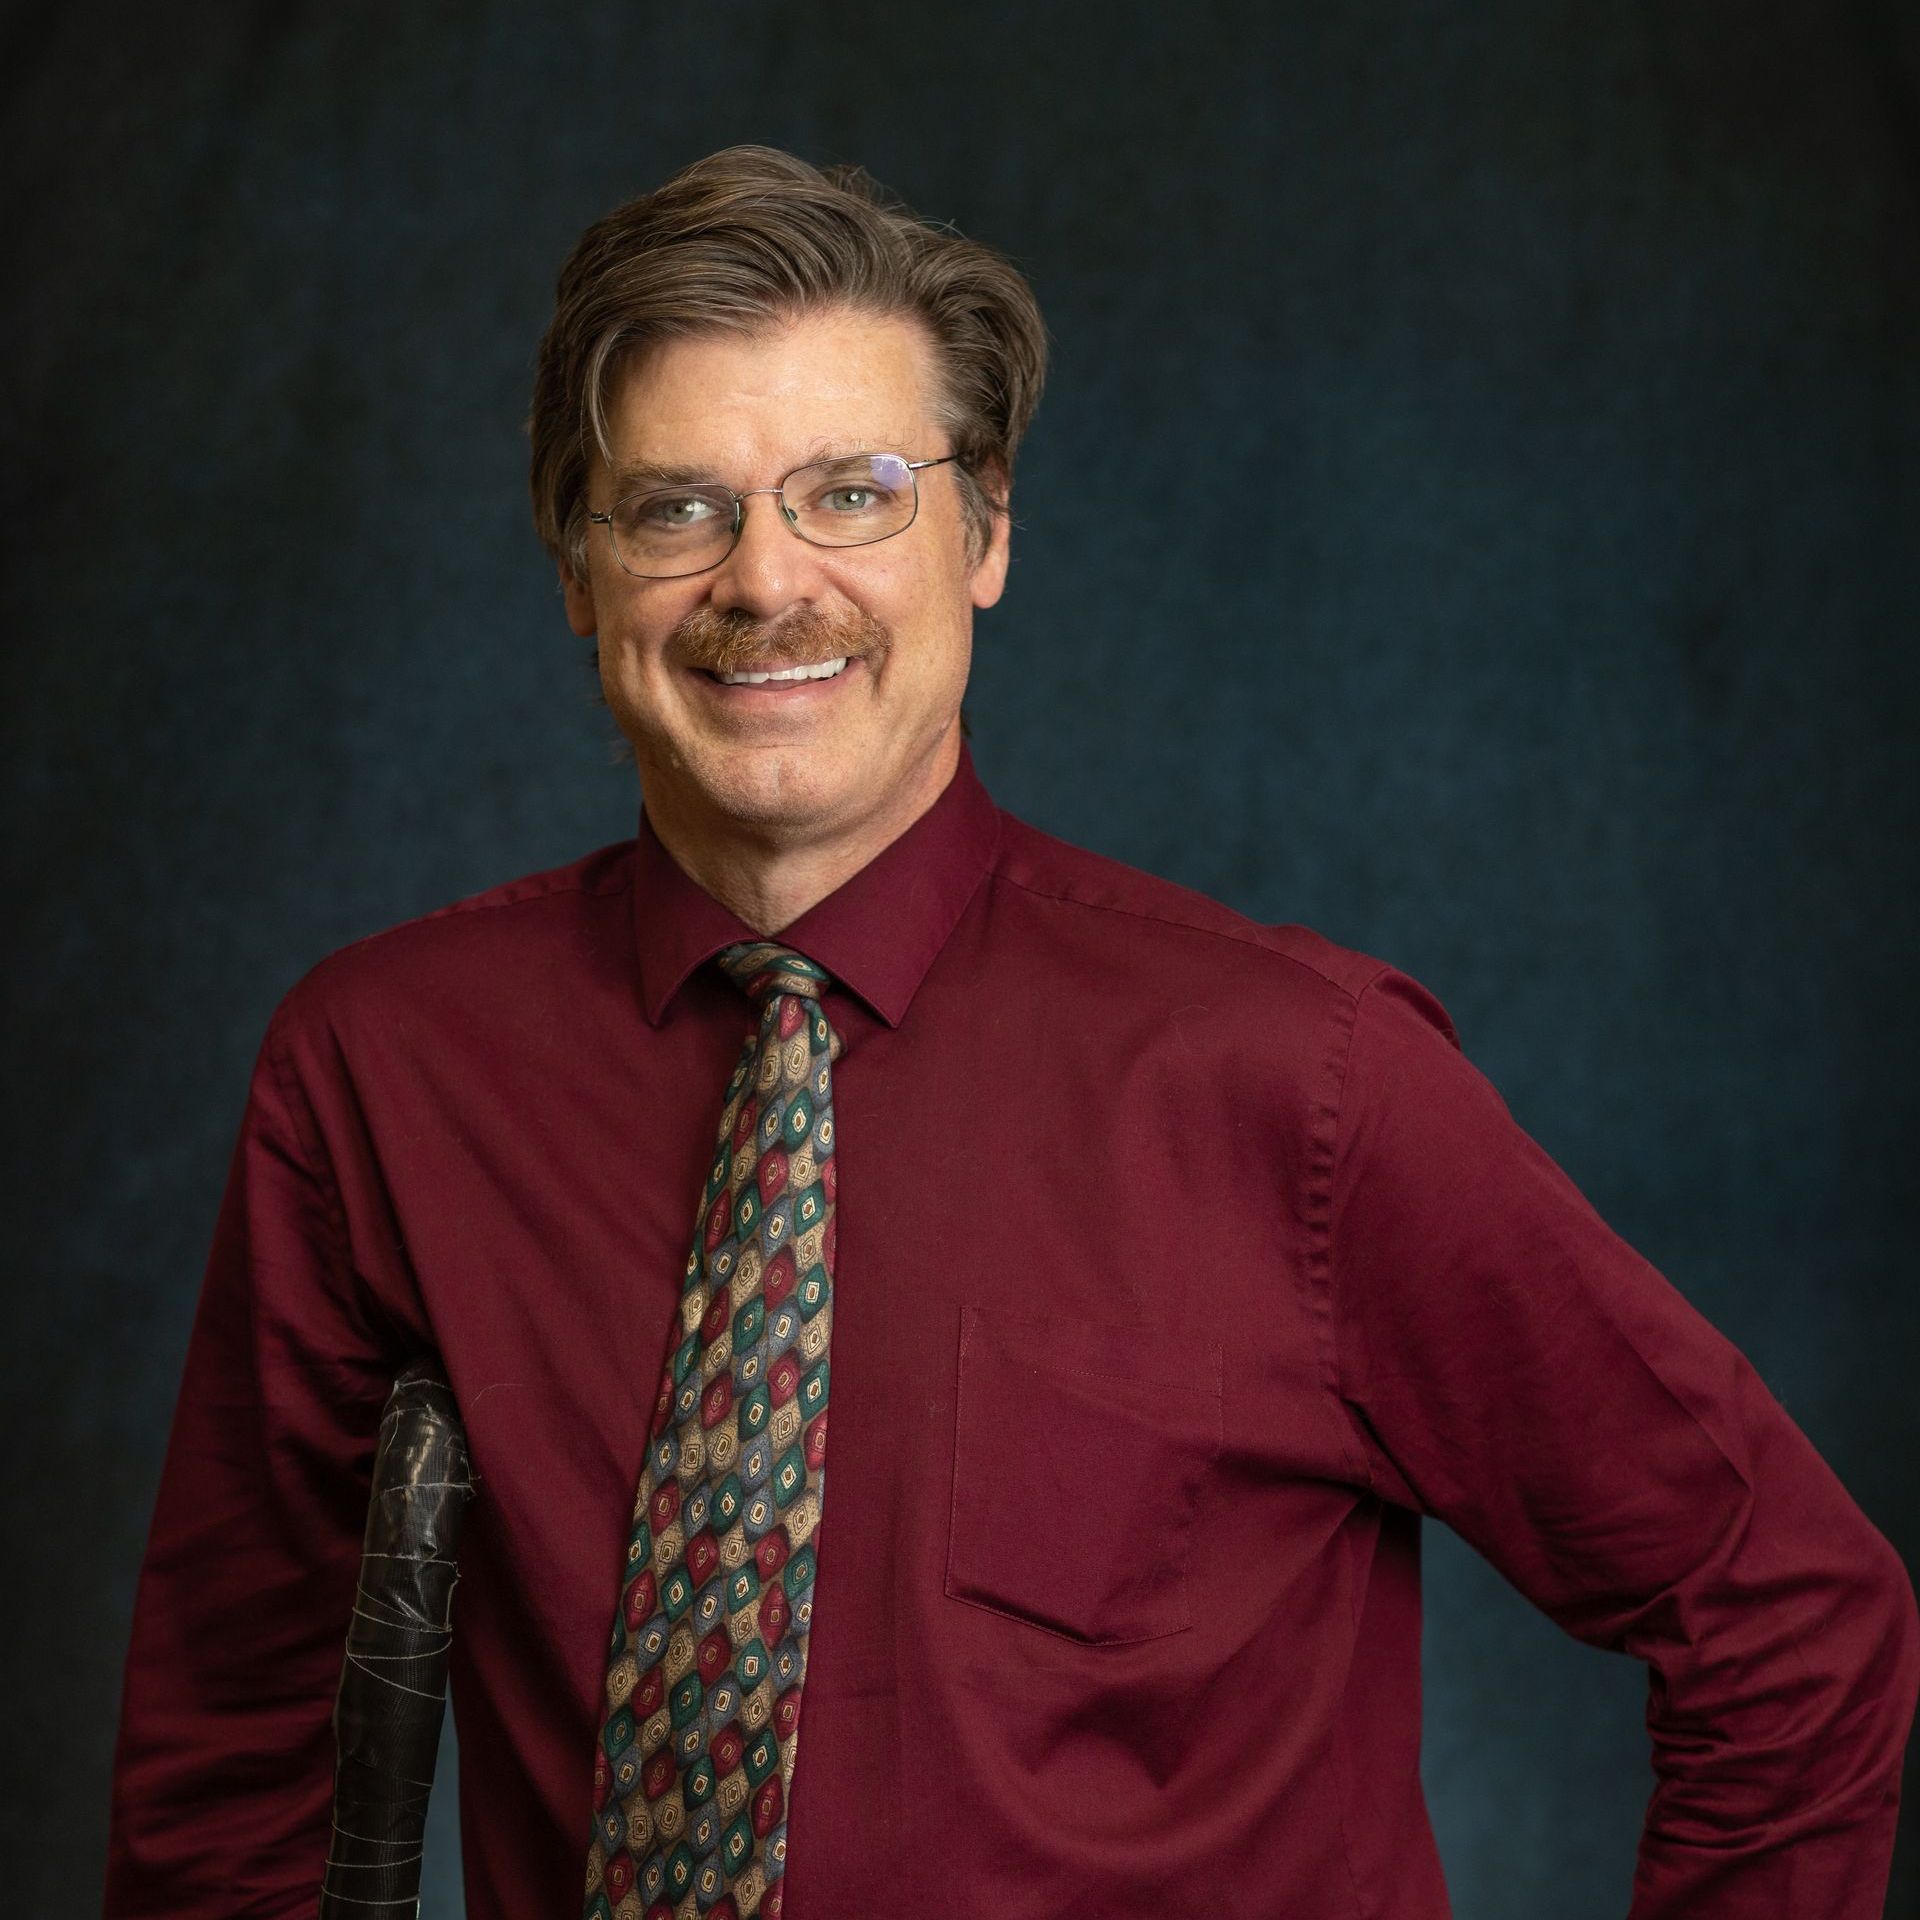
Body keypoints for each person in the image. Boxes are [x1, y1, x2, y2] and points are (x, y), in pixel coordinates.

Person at [104, 144, 1918, 1920]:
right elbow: (231, 1760)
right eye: (675, 507)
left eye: (854, 491)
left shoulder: (1306, 1084)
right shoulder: (384, 1073)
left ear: (983, 532)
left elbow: (1788, 1616)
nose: (763, 580)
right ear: (576, 566)